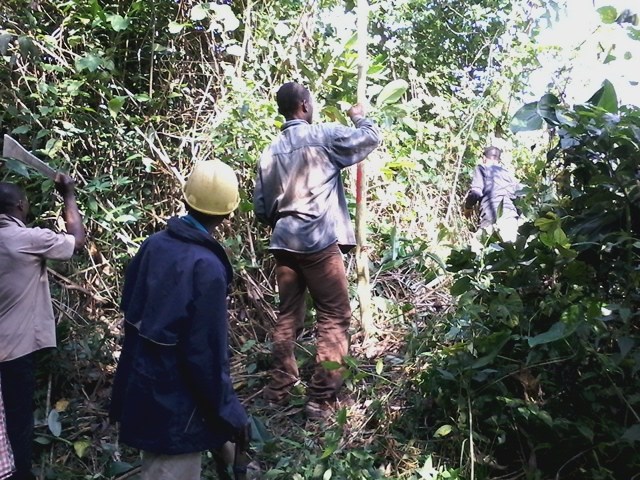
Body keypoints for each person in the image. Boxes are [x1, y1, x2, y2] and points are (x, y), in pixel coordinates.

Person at [110, 160, 250, 480]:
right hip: (176, 403)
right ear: (228, 214)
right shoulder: (208, 268)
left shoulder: (153, 244)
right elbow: (206, 354)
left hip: (143, 381)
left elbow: (130, 307)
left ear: (187, 199)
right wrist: (230, 410)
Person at [253, 81, 381, 419]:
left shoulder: (270, 151)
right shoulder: (323, 135)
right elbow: (368, 140)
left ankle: (280, 387)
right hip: (318, 242)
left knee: (288, 315)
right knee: (334, 317)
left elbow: (262, 208)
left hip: (284, 243)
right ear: (304, 107)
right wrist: (360, 118)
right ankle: (320, 398)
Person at [0, 175, 85, 480]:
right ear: (20, 205)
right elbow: (76, 241)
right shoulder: (26, 239)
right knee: (17, 424)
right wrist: (69, 195)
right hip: (13, 352)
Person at [464, 146, 523, 243]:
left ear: (483, 158)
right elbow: (521, 196)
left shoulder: (481, 168)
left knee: (481, 253)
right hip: (510, 217)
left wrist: (468, 207)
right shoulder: (508, 174)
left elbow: (476, 192)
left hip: (490, 217)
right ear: (499, 160)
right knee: (509, 254)